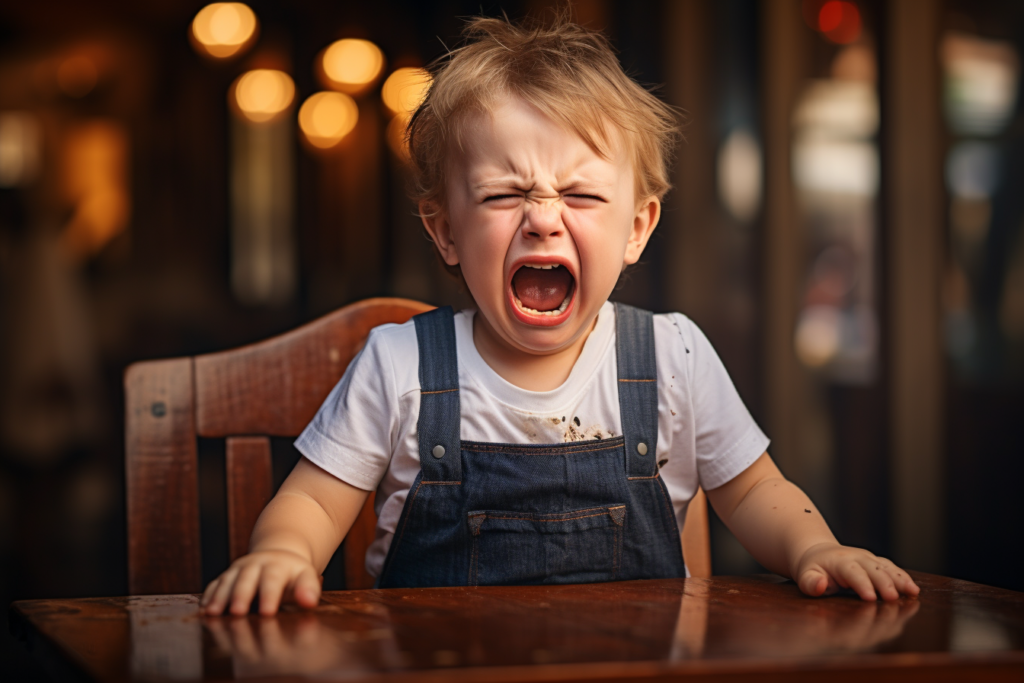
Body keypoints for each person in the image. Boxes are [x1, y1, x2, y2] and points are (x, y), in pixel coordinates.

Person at [201, 14, 919, 616]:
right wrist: (282, 553)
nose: (543, 218)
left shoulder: (673, 357)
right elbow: (316, 503)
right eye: (504, 194)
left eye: (580, 196)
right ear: (445, 229)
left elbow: (757, 488)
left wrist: (815, 548)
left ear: (637, 227)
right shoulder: (400, 365)